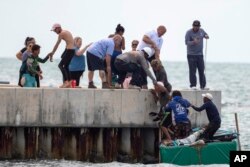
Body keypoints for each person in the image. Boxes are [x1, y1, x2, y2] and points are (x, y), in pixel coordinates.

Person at [150, 59, 172, 140]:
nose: (152, 69)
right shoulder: (157, 70)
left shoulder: (161, 72)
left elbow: (162, 87)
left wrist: (168, 95)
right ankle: (169, 135)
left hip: (165, 89)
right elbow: (157, 100)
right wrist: (154, 93)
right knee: (162, 109)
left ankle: (169, 138)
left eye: (153, 67)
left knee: (162, 122)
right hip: (162, 90)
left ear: (156, 66)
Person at [48, 23, 75, 88]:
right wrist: (64, 53)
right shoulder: (66, 31)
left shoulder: (61, 34)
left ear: (58, 28)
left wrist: (52, 53)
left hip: (69, 51)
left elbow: (57, 45)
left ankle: (66, 82)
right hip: (71, 50)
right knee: (66, 66)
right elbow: (70, 42)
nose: (55, 32)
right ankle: (70, 82)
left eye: (55, 30)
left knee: (60, 65)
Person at [185, 20, 209, 90]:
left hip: (200, 55)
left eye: (197, 26)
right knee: (192, 71)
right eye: (195, 26)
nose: (196, 27)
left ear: (199, 26)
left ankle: (203, 86)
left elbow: (205, 34)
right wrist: (193, 42)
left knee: (201, 70)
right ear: (192, 26)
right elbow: (186, 42)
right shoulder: (188, 32)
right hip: (191, 55)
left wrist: (206, 36)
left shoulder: (201, 31)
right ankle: (193, 85)